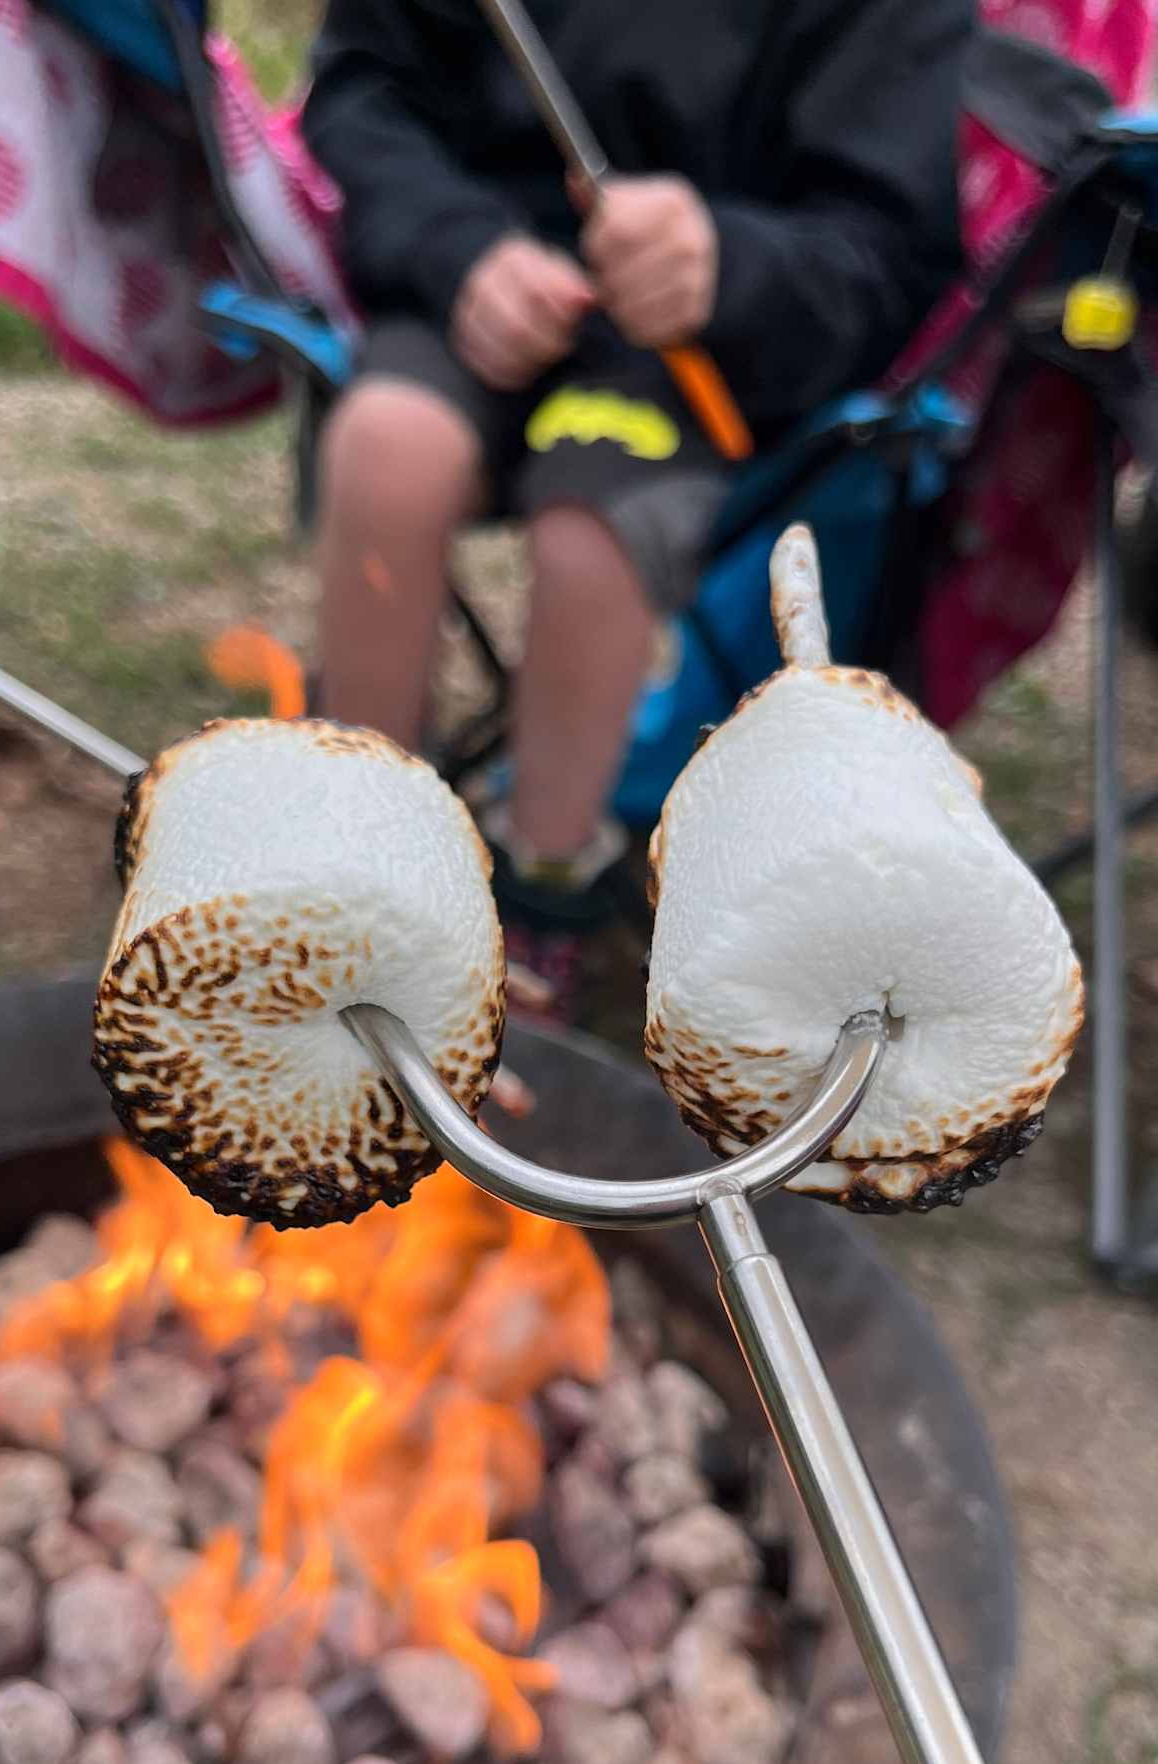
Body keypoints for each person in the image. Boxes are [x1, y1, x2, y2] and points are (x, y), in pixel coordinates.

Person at [305, 0, 973, 1016]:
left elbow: (886, 243)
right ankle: (357, 862)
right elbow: (362, 96)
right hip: (473, 285)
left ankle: (543, 887)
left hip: (705, 347)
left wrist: (728, 263)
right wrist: (457, 250)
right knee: (385, 451)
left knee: (594, 546)